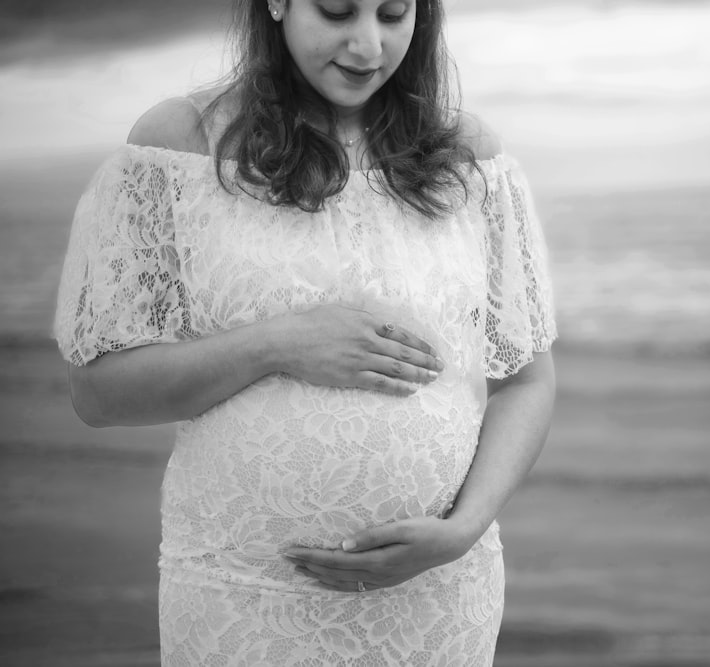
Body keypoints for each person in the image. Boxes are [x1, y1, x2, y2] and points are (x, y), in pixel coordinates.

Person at [52, 0, 557, 664]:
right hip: (247, 599)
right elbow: (98, 392)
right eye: (338, 11)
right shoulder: (182, 143)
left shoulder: (467, 157)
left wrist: (463, 528)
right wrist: (279, 342)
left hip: (437, 598)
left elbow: (526, 379)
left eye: (393, 13)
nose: (368, 45)